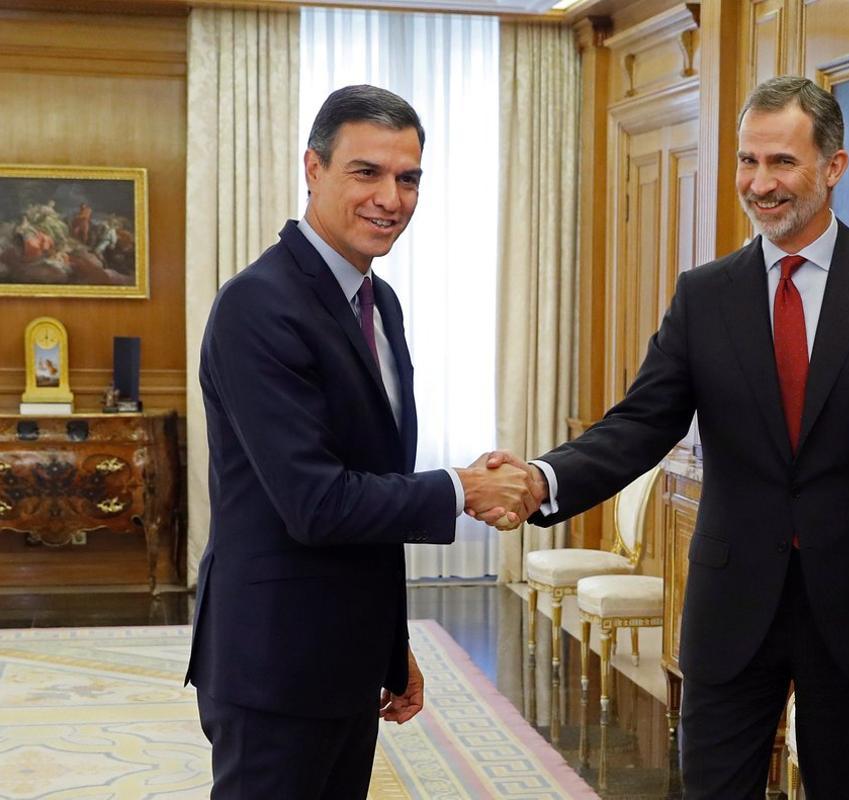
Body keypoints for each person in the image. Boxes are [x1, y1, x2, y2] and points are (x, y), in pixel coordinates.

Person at [491, 76, 849, 798]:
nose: (760, 183)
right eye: (748, 161)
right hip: (730, 605)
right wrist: (541, 479)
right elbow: (640, 423)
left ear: (833, 167)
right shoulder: (704, 294)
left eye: (782, 162)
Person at [185, 85, 539, 800]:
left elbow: (372, 483)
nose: (392, 197)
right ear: (312, 169)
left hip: (343, 657)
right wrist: (462, 488)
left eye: (408, 178)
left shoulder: (380, 302)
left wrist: (387, 644)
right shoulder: (259, 304)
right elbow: (315, 501)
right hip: (274, 665)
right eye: (366, 172)